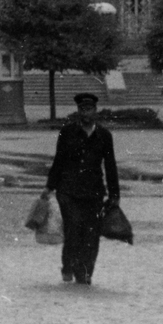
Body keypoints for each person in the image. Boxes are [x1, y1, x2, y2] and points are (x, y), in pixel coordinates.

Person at [41, 91, 120, 285]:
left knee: (91, 234)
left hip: (93, 192)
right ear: (78, 111)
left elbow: (110, 165)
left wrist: (114, 194)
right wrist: (49, 187)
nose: (86, 113)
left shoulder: (104, 136)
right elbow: (58, 160)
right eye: (82, 109)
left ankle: (85, 272)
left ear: (95, 111)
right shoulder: (67, 132)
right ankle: (69, 266)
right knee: (74, 228)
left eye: (89, 109)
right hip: (68, 190)